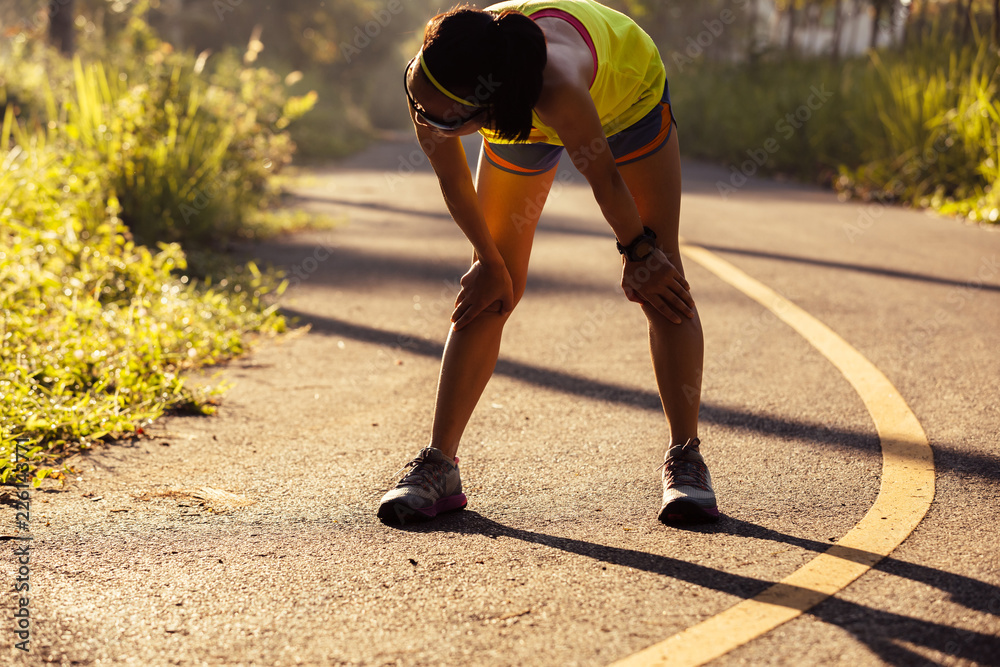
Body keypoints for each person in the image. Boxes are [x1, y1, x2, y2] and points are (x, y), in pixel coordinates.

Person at [377, 0, 717, 526]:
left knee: (661, 278)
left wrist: (640, 253)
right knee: (492, 288)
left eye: (436, 116)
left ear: (481, 110)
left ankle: (687, 460)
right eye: (416, 100)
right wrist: (489, 260)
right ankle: (439, 464)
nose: (421, 118)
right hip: (520, 118)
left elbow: (602, 175)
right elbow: (452, 180)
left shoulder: (556, 86)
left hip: (628, 100)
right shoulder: (434, 79)